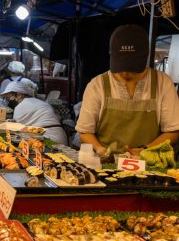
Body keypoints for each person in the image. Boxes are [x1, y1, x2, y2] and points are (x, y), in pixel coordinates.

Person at [76, 25, 179, 156]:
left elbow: (173, 130)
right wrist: (99, 149)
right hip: (107, 162)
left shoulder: (163, 83)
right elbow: (85, 131)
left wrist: (145, 150)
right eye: (121, 65)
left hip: (149, 162)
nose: (126, 72)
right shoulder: (97, 85)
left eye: (132, 66)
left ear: (145, 57)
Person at [1, 81, 68, 145]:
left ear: (19, 95)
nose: (9, 100)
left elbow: (16, 130)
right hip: (60, 136)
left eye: (9, 97)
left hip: (51, 138)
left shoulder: (21, 106)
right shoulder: (38, 102)